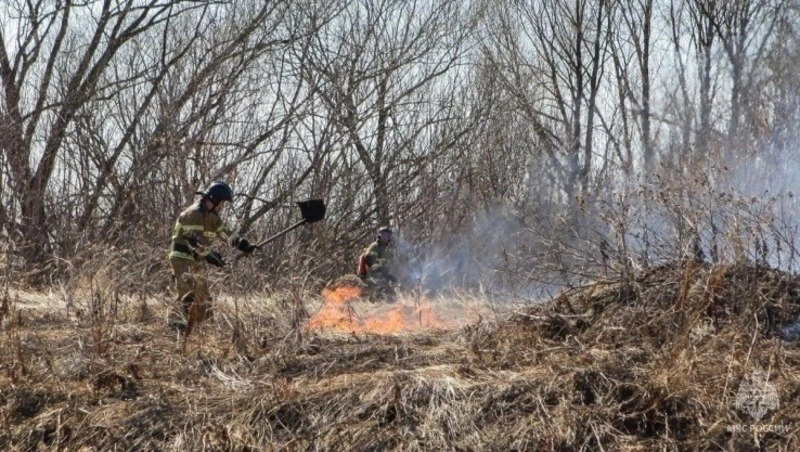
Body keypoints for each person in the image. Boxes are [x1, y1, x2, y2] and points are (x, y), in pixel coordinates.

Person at [167, 180, 256, 331]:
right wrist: (211, 256)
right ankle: (176, 327)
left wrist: (243, 245)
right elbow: (194, 241)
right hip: (181, 257)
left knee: (204, 297)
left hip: (196, 260)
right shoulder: (193, 214)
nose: (222, 207)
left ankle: (205, 329)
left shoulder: (213, 217)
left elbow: (227, 233)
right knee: (187, 292)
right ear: (213, 199)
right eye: (221, 203)